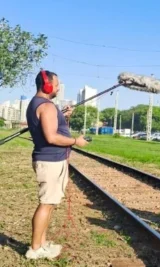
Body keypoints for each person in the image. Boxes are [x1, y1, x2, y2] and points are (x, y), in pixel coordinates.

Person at [25, 70, 88, 260]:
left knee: (49, 203)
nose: (59, 87)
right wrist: (76, 141)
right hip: (50, 161)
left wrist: (64, 117)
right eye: (57, 84)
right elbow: (52, 137)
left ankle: (42, 243)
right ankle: (35, 249)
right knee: (46, 203)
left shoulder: (39, 104)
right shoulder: (47, 106)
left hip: (49, 160)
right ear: (47, 85)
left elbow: (54, 128)